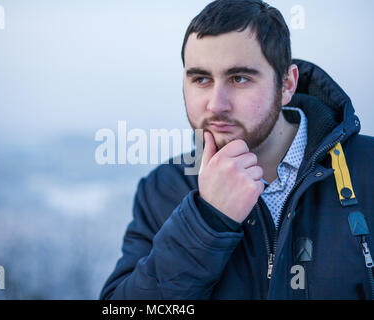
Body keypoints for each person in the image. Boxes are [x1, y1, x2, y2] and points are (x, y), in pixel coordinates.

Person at [99, 0, 374, 299]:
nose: (216, 104)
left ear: (286, 85)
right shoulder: (163, 189)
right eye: (201, 79)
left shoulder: (368, 170)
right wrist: (207, 220)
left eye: (239, 78)